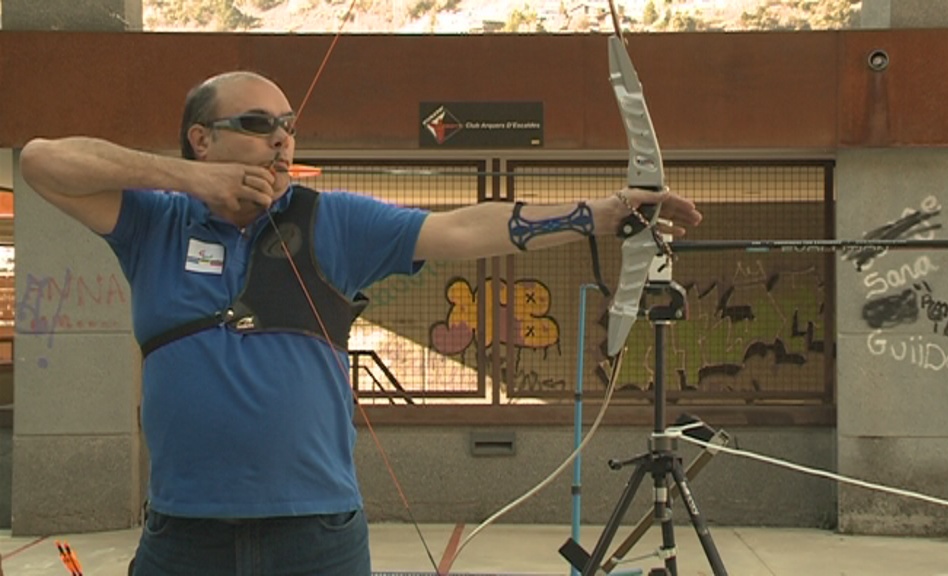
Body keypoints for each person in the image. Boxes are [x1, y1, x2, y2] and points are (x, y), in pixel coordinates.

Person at [19, 70, 703, 576]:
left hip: (314, 534)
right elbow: (42, 160)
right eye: (257, 125)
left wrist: (604, 213)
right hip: (185, 534)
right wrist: (192, 182)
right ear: (202, 139)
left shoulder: (331, 219)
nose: (281, 138)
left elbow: (463, 228)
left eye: (287, 125)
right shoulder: (153, 221)